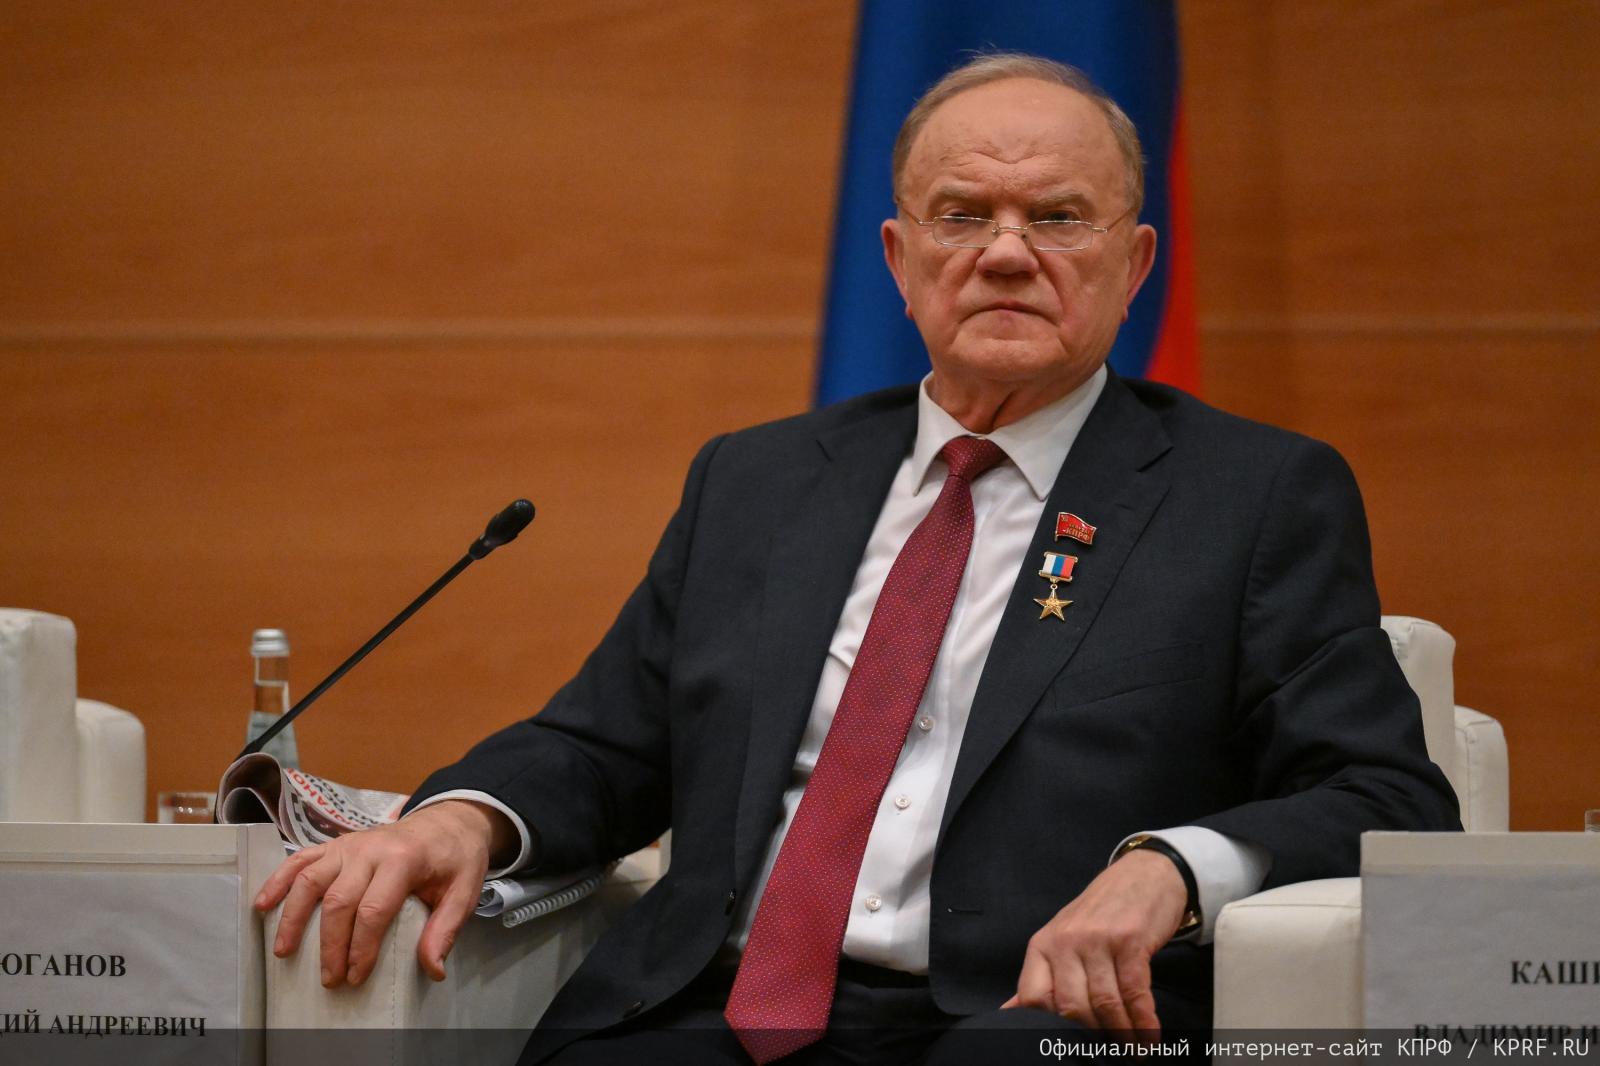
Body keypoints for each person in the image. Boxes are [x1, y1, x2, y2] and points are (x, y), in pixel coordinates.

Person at [257, 53, 1459, 1063]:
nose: (1004, 253)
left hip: (1027, 1018)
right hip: (718, 1007)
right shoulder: (761, 478)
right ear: (897, 257)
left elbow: (1387, 795)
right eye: (961, 216)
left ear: (1134, 262)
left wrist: (1171, 869)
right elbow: (607, 742)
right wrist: (462, 818)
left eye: (1056, 218)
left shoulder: (1249, 496)